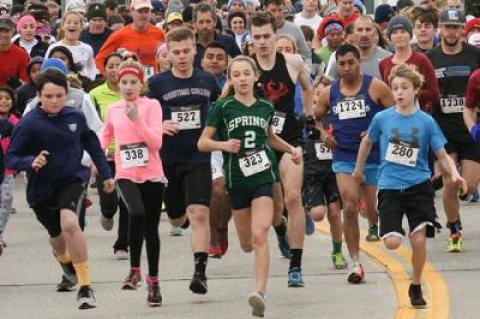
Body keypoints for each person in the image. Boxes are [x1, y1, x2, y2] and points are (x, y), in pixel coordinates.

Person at [353, 63, 466, 308]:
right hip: (390, 187)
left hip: (418, 186)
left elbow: (441, 153)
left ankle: (415, 285)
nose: (399, 92)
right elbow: (366, 144)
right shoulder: (382, 118)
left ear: (416, 90)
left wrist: (454, 175)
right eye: (395, 88)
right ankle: (395, 227)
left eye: (404, 87)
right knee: (392, 242)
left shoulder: (426, 122)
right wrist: (358, 170)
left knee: (418, 240)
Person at [198, 55, 301, 317]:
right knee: (246, 243)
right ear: (231, 79)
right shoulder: (223, 107)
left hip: (263, 176)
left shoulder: (265, 106)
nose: (242, 79)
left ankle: (260, 293)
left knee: (259, 234)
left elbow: (270, 137)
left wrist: (291, 149)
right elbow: (203, 142)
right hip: (237, 179)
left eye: (246, 73)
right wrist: (223, 145)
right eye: (237, 75)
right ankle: (268, 230)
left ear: (256, 77)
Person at [5, 68, 115, 309]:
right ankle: (66, 262)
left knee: (70, 224)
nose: (54, 101)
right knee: (56, 238)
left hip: (72, 179)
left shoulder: (75, 116)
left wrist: (105, 174)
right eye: (48, 96)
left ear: (67, 94)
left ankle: (86, 286)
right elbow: (11, 158)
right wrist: (30, 161)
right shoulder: (29, 123)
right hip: (41, 189)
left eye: (59, 95)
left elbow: (91, 143)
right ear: (39, 96)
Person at [148, 27, 221, 295]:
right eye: (175, 52)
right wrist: (158, 125)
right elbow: (143, 117)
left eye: (186, 51)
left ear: (194, 50)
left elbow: (221, 108)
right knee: (177, 219)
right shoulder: (156, 84)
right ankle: (182, 218)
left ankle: (200, 272)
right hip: (167, 158)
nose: (181, 56)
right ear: (168, 54)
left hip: (198, 155)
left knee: (199, 212)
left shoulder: (207, 80)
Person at [315, 44, 395, 284]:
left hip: (373, 156)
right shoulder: (329, 92)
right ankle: (355, 262)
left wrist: (376, 134)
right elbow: (314, 118)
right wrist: (322, 135)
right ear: (337, 65)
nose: (347, 68)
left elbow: (396, 116)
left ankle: (374, 224)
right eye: (342, 64)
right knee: (349, 205)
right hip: (344, 156)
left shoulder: (376, 87)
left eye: (351, 62)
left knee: (373, 207)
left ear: (359, 62)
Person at [251, 11, 313, 287]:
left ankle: (296, 266)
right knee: (275, 209)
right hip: (261, 144)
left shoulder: (293, 62)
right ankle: (279, 229)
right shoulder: (246, 67)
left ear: (276, 36)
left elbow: (308, 88)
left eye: (267, 36)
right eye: (257, 37)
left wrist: (309, 117)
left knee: (292, 198)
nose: (262, 42)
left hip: (289, 141)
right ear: (251, 40)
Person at [101, 58, 165, 306]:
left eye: (133, 82)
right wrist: (97, 159)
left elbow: (156, 144)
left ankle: (154, 281)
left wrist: (137, 119)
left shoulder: (152, 106)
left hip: (152, 172)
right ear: (118, 84)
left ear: (141, 84)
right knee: (135, 213)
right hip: (125, 172)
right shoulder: (113, 109)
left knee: (151, 228)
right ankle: (135, 269)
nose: (128, 87)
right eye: (124, 82)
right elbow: (105, 135)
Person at [426, 9, 480, 252]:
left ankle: (456, 183)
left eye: (456, 27)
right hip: (443, 129)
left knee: (466, 187)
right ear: (440, 29)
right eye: (447, 27)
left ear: (462, 30)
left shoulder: (475, 55)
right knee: (449, 184)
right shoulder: (431, 57)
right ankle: (454, 229)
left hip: (471, 129)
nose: (451, 32)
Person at [304, 75, 347, 269]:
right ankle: (305, 209)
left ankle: (337, 251)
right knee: (318, 214)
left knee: (335, 213)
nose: (320, 96)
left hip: (333, 171)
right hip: (311, 172)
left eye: (324, 93)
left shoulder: (337, 117)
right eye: (317, 92)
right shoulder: (305, 118)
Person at [90, 53, 130, 259]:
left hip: (129, 154)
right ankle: (106, 213)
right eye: (111, 66)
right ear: (104, 69)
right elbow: (90, 126)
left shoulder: (133, 92)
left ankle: (122, 243)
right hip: (104, 155)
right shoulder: (95, 94)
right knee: (110, 201)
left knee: (127, 200)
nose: (115, 70)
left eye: (119, 66)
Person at [380, 15, 439, 114]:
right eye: (394, 32)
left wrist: (411, 93)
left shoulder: (422, 60)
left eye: (403, 31)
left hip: (419, 116)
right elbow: (385, 94)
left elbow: (434, 93)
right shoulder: (383, 63)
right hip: (393, 117)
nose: (399, 36)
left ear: (410, 35)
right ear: (389, 37)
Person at [96, 0, 165, 78]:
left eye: (146, 11)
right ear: (131, 11)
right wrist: (111, 79)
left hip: (153, 82)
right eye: (140, 11)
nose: (143, 15)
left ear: (151, 13)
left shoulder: (159, 33)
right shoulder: (120, 34)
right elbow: (100, 59)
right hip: (129, 84)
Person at [328, 15, 392, 80]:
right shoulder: (341, 59)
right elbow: (329, 86)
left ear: (375, 32)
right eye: (360, 30)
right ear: (354, 32)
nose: (364, 34)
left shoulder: (388, 58)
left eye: (368, 29)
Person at [45, 11, 98, 81]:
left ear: (81, 27)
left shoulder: (87, 49)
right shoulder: (53, 48)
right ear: (63, 26)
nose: (72, 25)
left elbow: (91, 71)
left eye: (76, 23)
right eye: (68, 22)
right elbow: (45, 69)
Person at [264, 0, 312, 68]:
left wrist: (305, 73)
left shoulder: (295, 29)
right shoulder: (260, 30)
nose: (277, 15)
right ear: (265, 9)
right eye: (273, 10)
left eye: (280, 10)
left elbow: (306, 56)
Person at [0, 86, 19, 253]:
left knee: (6, 200)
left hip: (8, 169)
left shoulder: (16, 122)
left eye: (7, 97)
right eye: (0, 98)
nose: (4, 101)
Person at [193, 3, 241, 68]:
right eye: (201, 22)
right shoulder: (189, 46)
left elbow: (241, 66)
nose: (205, 26)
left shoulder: (228, 42)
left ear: (215, 22)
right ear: (195, 24)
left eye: (208, 21)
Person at [0, 16, 29, 88]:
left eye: (6, 31)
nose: (3, 34)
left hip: (11, 96)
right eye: (0, 30)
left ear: (12, 32)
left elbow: (25, 84)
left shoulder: (22, 55)